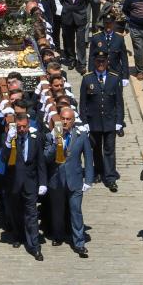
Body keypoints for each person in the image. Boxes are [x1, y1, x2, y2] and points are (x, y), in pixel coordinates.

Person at [45, 105, 93, 257]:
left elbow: (88, 158)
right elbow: (46, 157)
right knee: (57, 211)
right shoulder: (50, 136)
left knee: (76, 211)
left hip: (75, 179)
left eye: (68, 119)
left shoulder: (81, 135)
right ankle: (58, 235)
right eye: (63, 119)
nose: (65, 122)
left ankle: (79, 242)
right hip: (57, 179)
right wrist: (55, 141)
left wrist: (88, 179)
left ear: (73, 121)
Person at [0, 109, 45, 261]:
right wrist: (8, 142)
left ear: (28, 125)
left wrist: (43, 182)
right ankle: (18, 236)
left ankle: (35, 246)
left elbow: (40, 162)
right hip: (14, 182)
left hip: (30, 182)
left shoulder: (36, 138)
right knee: (16, 212)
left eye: (24, 126)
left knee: (32, 215)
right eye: (19, 127)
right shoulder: (8, 138)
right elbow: (3, 158)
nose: (22, 129)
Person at [79, 51, 124, 192]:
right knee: (96, 149)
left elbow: (119, 102)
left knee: (109, 150)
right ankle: (98, 172)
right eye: (98, 61)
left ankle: (110, 178)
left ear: (107, 62)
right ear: (94, 62)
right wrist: (84, 121)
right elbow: (83, 103)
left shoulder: (114, 78)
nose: (100, 64)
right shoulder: (87, 79)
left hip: (110, 121)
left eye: (103, 61)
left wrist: (119, 121)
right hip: (94, 121)